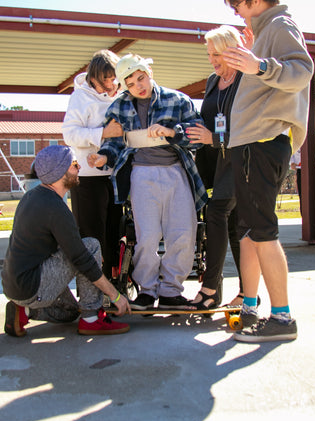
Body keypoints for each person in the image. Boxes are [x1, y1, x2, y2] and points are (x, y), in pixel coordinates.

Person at [222, 0, 314, 342]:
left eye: (239, 7)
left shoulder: (279, 24)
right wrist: (254, 50)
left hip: (262, 143)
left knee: (261, 231)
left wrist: (258, 63)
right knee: (248, 232)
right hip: (253, 144)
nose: (238, 15)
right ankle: (250, 304)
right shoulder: (265, 32)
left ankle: (281, 318)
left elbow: (302, 70)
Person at [87, 54, 207, 310]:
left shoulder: (178, 99)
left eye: (141, 78)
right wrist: (102, 158)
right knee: (147, 237)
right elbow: (113, 143)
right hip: (141, 175)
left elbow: (199, 135)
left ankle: (171, 292)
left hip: (177, 172)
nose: (138, 86)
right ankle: (147, 291)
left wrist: (173, 132)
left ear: (149, 71)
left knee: (184, 234)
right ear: (124, 86)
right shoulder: (118, 107)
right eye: (130, 83)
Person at [2, 145, 131, 337]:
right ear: (60, 172)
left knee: (70, 312)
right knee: (91, 246)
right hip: (32, 284)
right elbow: (82, 259)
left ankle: (24, 311)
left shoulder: (33, 197)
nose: (79, 168)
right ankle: (91, 320)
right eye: (74, 164)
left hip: (15, 285)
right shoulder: (55, 207)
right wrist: (115, 295)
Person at [186, 25, 249, 309]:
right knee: (233, 226)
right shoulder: (213, 81)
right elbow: (207, 118)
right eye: (210, 54)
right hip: (217, 160)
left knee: (217, 211)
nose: (212, 60)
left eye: (218, 54)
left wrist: (215, 137)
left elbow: (251, 128)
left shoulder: (248, 80)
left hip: (241, 158)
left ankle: (210, 286)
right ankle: (247, 292)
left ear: (233, 51)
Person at [62, 50, 123, 279]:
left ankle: (113, 288)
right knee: (91, 237)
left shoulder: (121, 94)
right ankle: (92, 292)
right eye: (103, 82)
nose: (109, 88)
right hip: (88, 178)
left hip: (116, 175)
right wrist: (103, 133)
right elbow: (69, 134)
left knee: (114, 235)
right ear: (92, 78)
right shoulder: (80, 97)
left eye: (112, 81)